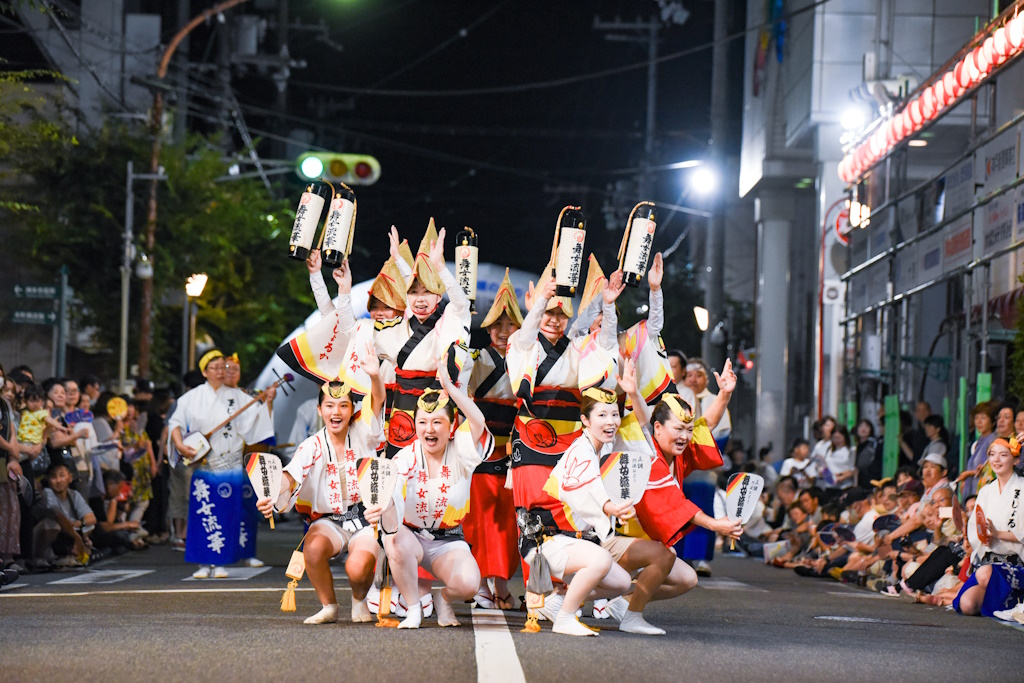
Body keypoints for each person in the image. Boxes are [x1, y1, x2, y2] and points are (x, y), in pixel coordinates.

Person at [257, 346, 387, 625]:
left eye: (343, 405)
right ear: (319, 409)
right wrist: (270, 492)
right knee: (312, 550)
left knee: (356, 568)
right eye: (329, 405)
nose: (336, 411)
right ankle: (329, 605)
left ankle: (359, 599)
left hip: (366, 517)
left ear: (352, 410)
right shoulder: (312, 445)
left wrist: (375, 377)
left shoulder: (364, 432)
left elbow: (376, 402)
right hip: (330, 519)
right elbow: (291, 476)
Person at [383, 359, 493, 629]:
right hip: (412, 536)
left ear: (452, 424)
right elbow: (392, 490)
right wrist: (383, 508)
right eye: (422, 422)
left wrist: (451, 389)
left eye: (437, 422)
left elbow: (478, 420)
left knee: (469, 584)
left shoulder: (463, 450)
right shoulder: (406, 456)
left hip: (448, 540)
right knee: (394, 541)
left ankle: (444, 599)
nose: (429, 429)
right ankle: (413, 609)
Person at [168, 349, 275, 579]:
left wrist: (268, 402)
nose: (219, 371)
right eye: (214, 368)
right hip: (204, 465)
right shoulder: (192, 397)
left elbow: (258, 421)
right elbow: (175, 422)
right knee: (202, 514)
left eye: (222, 367)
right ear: (204, 372)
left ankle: (222, 561)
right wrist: (179, 444)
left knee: (227, 514)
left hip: (231, 466)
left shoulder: (237, 397)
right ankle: (203, 563)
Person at [375, 222, 472, 455]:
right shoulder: (406, 318)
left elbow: (461, 303)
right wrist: (397, 258)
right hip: (403, 410)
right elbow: (415, 282)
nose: (420, 299)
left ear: (439, 294)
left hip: (436, 406)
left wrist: (440, 267)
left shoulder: (449, 316)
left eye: (427, 292)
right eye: (414, 293)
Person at [462, 269, 522, 610]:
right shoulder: (475, 360)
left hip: (516, 452)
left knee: (509, 522)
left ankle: (500, 582)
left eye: (510, 325)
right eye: (496, 326)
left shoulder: (527, 359)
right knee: (482, 520)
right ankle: (485, 584)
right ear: (486, 329)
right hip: (482, 450)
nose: (502, 332)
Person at [954, 436, 1024, 617]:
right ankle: (1006, 603)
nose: (996, 460)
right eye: (992, 455)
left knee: (985, 573)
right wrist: (980, 538)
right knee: (967, 605)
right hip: (989, 560)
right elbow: (975, 528)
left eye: (1003, 455)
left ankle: (1013, 597)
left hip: (1016, 564)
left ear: (1016, 460)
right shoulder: (986, 491)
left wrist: (998, 534)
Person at [31, 462, 95, 569]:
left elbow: (91, 518)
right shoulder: (46, 494)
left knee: (88, 527)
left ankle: (70, 554)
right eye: (53, 477)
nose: (58, 481)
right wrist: (77, 538)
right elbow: (58, 516)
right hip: (44, 537)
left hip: (67, 534)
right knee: (51, 524)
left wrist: (81, 524)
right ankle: (40, 558)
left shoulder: (74, 495)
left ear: (70, 478)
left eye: (62, 476)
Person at [0, 364, 25, 575]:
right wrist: (10, 448)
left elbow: (12, 432)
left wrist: (13, 456)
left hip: (5, 461)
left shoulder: (5, 405)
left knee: (11, 509)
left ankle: (7, 557)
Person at [960, 401, 998, 499]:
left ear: (993, 421)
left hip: (983, 491)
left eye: (983, 418)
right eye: (976, 418)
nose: (979, 421)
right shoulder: (979, 441)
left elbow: (988, 469)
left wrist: (967, 474)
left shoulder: (993, 440)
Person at [822, 425, 855, 489]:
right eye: (834, 438)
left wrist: (841, 477)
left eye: (839, 437)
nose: (837, 441)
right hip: (830, 485)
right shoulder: (829, 450)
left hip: (845, 485)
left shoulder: (851, 450)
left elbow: (853, 470)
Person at [854, 419, 879, 487]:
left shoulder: (874, 444)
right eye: (861, 426)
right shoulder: (855, 446)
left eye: (867, 426)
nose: (863, 429)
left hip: (869, 478)